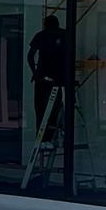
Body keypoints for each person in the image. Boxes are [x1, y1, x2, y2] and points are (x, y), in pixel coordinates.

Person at [26, 14, 69, 146]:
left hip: (43, 78)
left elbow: (30, 56)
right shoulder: (64, 35)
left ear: (45, 24)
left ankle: (42, 139)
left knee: (40, 109)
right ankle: (50, 138)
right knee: (54, 109)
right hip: (59, 79)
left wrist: (35, 72)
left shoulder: (41, 35)